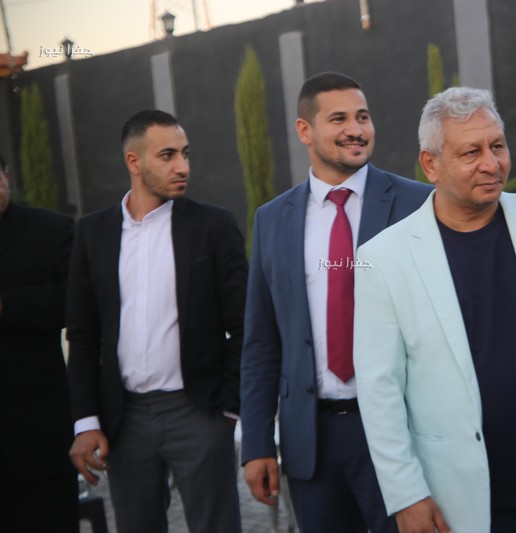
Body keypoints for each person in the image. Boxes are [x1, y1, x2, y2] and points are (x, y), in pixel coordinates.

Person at [353, 87, 516, 533]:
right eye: (471, 152)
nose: (492, 163)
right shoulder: (384, 258)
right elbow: (379, 390)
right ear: (430, 164)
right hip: (465, 507)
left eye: (498, 146)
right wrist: (406, 495)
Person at [239, 71, 430, 533]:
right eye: (339, 119)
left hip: (399, 430)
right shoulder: (272, 220)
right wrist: (258, 442)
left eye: (362, 117)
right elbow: (261, 340)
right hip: (311, 439)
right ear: (305, 130)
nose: (356, 130)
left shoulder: (418, 204)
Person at [66, 110, 247, 533]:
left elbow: (245, 322)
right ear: (134, 161)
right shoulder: (93, 233)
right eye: (167, 155)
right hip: (124, 419)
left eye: (185, 154)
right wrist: (87, 421)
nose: (182, 166)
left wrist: (230, 408)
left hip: (199, 411)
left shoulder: (213, 226)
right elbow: (84, 335)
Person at [0, 152, 78, 532]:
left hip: (39, 433)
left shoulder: (51, 230)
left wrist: (7, 305)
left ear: (6, 176)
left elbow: (76, 301)